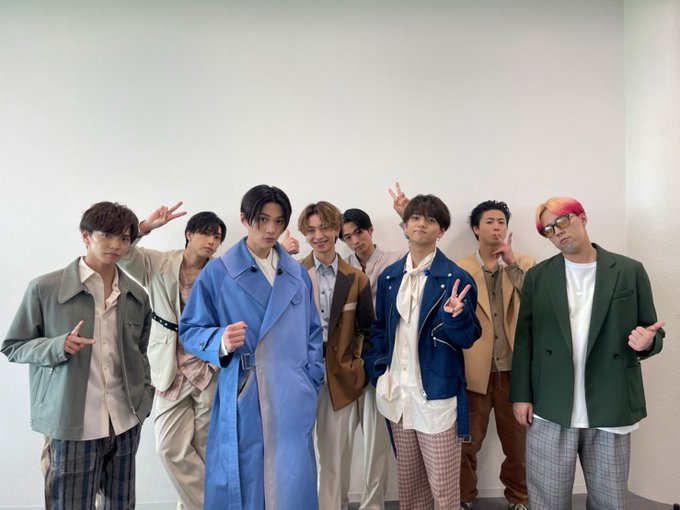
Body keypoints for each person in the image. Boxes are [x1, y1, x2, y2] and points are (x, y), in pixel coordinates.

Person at [509, 197, 665, 510]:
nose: (557, 231)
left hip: (611, 401)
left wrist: (648, 342)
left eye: (562, 221)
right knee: (547, 500)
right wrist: (521, 395)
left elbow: (652, 329)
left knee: (610, 501)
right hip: (550, 403)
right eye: (549, 229)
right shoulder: (539, 276)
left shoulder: (629, 270)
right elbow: (525, 340)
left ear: (582, 217)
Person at [179, 185, 324, 509]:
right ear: (245, 219)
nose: (271, 229)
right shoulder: (219, 272)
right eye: (263, 219)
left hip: (292, 393)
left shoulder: (297, 274)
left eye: (279, 221)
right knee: (247, 480)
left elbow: (313, 332)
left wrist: (311, 378)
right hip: (245, 388)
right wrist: (220, 340)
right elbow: (190, 330)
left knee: (292, 481)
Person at [2, 202, 154, 509]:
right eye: (107, 235)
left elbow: (140, 352)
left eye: (124, 238)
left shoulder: (137, 295)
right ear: (86, 236)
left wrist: (144, 398)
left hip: (124, 422)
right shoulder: (45, 288)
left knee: (121, 505)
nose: (116, 245)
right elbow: (13, 345)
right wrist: (57, 346)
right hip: (72, 423)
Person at [364, 194, 481, 509]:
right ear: (405, 225)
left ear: (441, 230)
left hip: (436, 396)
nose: (421, 224)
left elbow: (468, 337)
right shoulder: (390, 277)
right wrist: (379, 371)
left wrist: (456, 317)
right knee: (410, 488)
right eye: (415, 218)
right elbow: (380, 330)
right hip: (398, 396)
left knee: (444, 491)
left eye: (431, 220)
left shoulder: (456, 278)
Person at [118, 202, 226, 510]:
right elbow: (124, 254)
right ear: (189, 234)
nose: (212, 241)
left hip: (207, 366)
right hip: (168, 365)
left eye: (217, 237)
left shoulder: (222, 272)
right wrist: (144, 228)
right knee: (168, 448)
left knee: (204, 450)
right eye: (206, 233)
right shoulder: (159, 262)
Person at [456, 201, 533, 510]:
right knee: (466, 443)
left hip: (514, 372)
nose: (496, 226)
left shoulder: (524, 263)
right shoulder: (461, 268)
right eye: (489, 221)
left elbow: (538, 303)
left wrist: (511, 264)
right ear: (476, 229)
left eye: (501, 221)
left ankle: (519, 498)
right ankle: (463, 497)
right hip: (474, 371)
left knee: (518, 445)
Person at [298, 201, 375, 510]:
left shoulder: (356, 279)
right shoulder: (291, 274)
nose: (319, 236)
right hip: (299, 376)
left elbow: (367, 330)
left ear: (336, 231)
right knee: (297, 453)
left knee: (333, 455)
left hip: (339, 376)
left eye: (326, 228)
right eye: (311, 230)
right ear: (304, 234)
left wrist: (357, 366)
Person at [340, 207, 401, 510]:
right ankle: (335, 501)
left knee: (376, 440)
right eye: (348, 237)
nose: (355, 241)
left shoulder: (396, 261)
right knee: (340, 439)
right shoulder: (341, 266)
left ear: (370, 230)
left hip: (381, 356)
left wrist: (406, 214)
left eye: (359, 232)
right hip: (345, 359)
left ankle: (373, 505)